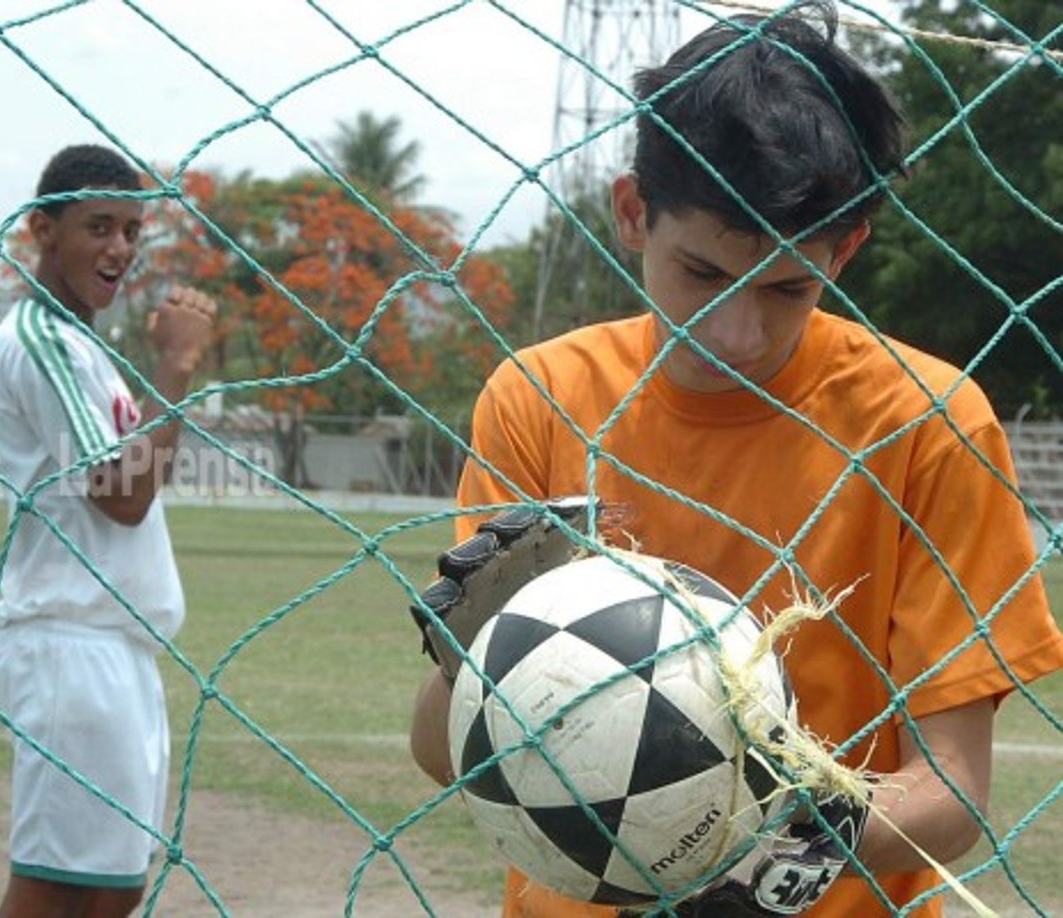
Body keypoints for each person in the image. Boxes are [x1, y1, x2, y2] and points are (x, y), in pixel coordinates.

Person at [409, 3, 1063, 916]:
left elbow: (952, 788)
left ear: (847, 248)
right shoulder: (542, 399)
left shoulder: (926, 423)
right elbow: (447, 756)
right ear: (634, 212)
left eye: (790, 286)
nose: (739, 333)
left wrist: (775, 853)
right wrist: (462, 658)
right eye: (704, 274)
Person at [0, 143, 217, 918]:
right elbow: (122, 494)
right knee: (58, 890)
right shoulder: (42, 340)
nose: (119, 248)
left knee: (105, 892)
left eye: (131, 231)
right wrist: (177, 370)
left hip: (109, 650)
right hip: (68, 648)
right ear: (43, 231)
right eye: (98, 227)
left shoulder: (84, 347)